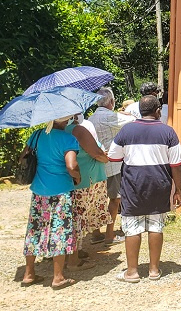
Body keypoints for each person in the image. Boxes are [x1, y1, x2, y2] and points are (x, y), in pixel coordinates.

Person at [108, 95, 181, 283]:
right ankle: (154, 270)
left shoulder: (126, 131)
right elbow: (177, 164)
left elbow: (114, 157)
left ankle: (132, 272)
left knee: (132, 228)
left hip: (133, 186)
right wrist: (178, 190)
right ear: (158, 110)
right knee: (156, 226)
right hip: (159, 185)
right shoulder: (168, 132)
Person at [21, 116, 80, 290]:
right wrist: (78, 176)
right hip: (61, 191)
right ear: (65, 120)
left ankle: (29, 274)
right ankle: (58, 277)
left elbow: (23, 156)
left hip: (39, 190)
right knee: (59, 230)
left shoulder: (37, 135)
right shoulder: (68, 138)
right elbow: (71, 165)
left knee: (34, 229)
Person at [88, 87, 135, 245]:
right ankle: (110, 234)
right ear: (112, 102)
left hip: (95, 165)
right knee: (115, 199)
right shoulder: (110, 116)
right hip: (112, 164)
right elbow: (133, 120)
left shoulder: (91, 119)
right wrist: (126, 113)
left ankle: (95, 233)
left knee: (96, 199)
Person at [65, 115, 110, 269]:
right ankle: (74, 257)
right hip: (85, 180)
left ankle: (70, 251)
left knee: (70, 217)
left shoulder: (50, 132)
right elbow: (96, 153)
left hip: (66, 182)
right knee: (78, 218)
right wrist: (106, 158)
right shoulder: (78, 130)